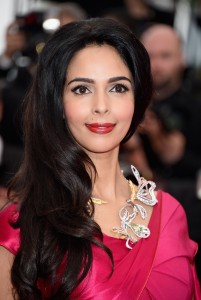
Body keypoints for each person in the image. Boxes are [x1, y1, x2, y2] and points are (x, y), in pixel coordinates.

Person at [0, 18, 200, 300]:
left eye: (118, 88)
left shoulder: (170, 214)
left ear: (137, 100)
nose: (102, 106)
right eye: (82, 89)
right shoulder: (21, 226)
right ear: (57, 102)